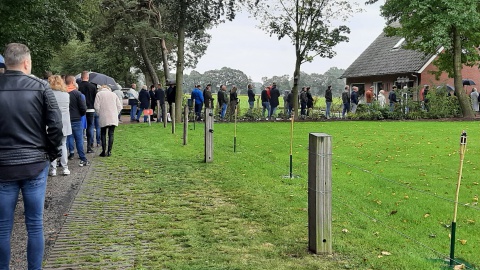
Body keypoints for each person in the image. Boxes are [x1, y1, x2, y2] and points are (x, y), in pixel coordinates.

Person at [0, 43, 63, 269]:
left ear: (6, 62)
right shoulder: (41, 87)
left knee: (2, 226)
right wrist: (51, 153)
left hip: (3, 166)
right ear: (26, 62)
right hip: (35, 163)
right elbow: (55, 125)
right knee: (35, 224)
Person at [48, 75, 72, 176]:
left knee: (52, 145)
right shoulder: (66, 94)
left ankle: (53, 169)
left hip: (52, 122)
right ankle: (65, 167)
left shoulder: (49, 94)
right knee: (63, 145)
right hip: (65, 122)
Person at [65, 75, 89, 166]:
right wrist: (80, 114)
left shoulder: (63, 93)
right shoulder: (77, 94)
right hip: (76, 119)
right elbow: (83, 108)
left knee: (66, 140)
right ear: (72, 82)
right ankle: (83, 158)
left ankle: (64, 159)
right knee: (79, 140)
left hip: (66, 120)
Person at [94, 86, 123, 157]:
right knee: (111, 133)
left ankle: (103, 151)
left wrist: (99, 113)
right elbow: (119, 106)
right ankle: (109, 151)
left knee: (103, 133)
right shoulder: (114, 94)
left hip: (103, 116)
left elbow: (96, 106)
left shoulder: (99, 94)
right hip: (113, 117)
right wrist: (116, 113)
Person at [78, 71, 97, 153]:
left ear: (81, 77)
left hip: (80, 109)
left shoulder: (78, 86)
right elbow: (95, 98)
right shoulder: (93, 87)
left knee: (81, 127)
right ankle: (89, 146)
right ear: (88, 77)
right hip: (91, 108)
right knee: (90, 127)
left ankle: (80, 146)